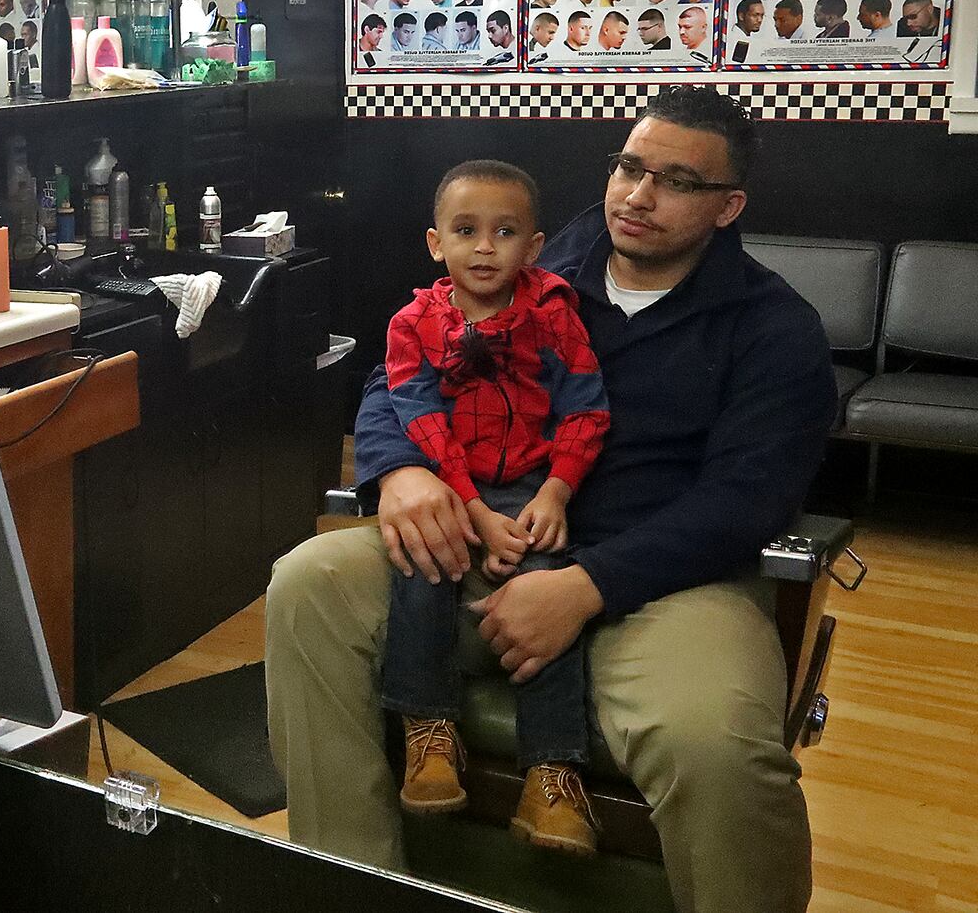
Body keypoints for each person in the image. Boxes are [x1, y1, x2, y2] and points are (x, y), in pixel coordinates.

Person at [265, 87, 834, 913]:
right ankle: (351, 884)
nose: (638, 197)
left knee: (717, 747)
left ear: (727, 207)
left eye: (675, 181)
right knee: (306, 586)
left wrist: (583, 585)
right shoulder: (540, 264)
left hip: (663, 584)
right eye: (630, 168)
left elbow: (747, 502)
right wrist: (399, 472)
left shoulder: (773, 329)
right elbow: (396, 374)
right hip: (483, 536)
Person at [381, 162, 611, 847]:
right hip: (449, 482)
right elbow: (419, 418)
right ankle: (428, 729)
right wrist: (472, 512)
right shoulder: (414, 324)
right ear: (435, 243)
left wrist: (556, 492)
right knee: (424, 567)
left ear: (534, 248)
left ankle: (553, 775)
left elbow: (586, 410)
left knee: (545, 596)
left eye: (504, 232)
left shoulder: (554, 314)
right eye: (466, 230)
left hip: (534, 488)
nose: (485, 247)